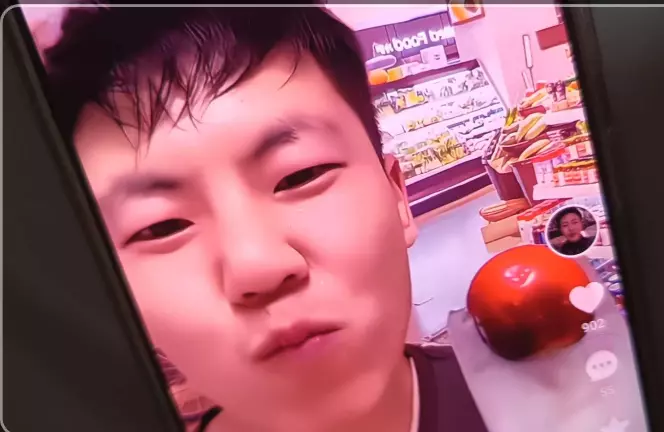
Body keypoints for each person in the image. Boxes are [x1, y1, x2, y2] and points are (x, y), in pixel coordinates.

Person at [43, 5, 488, 432]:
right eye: (160, 227)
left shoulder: (524, 399)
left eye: (301, 175)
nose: (258, 265)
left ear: (397, 197)